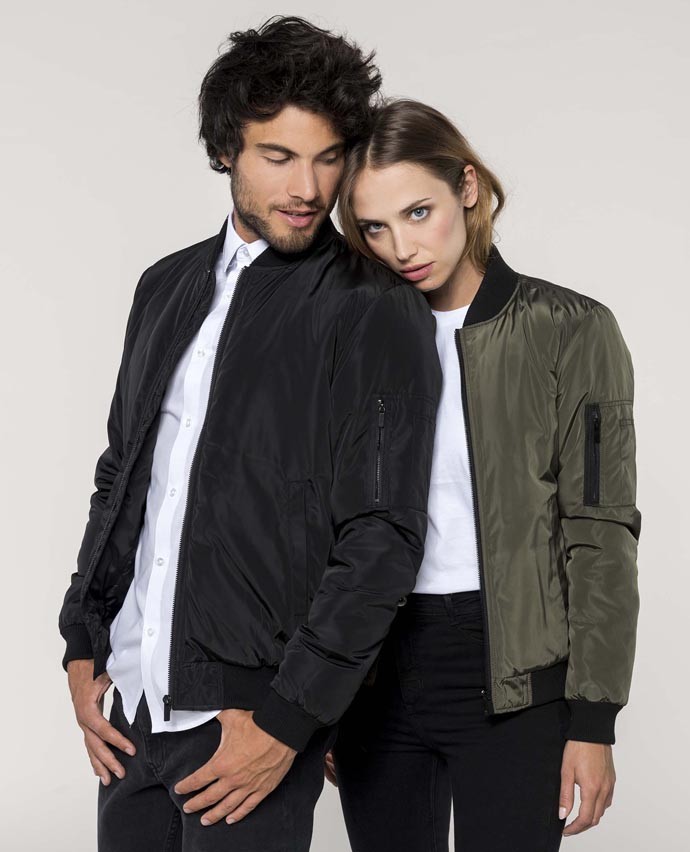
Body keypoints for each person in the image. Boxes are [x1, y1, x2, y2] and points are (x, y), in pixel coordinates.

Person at [58, 22, 442, 852]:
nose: (308, 187)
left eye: (329, 158)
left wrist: (289, 718)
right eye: (278, 156)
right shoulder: (164, 287)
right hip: (129, 709)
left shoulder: (374, 308)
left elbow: (383, 536)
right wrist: (81, 638)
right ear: (226, 149)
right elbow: (122, 473)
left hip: (247, 720)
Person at [328, 98, 641, 852]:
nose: (402, 246)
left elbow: (602, 531)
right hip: (374, 667)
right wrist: (319, 690)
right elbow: (319, 522)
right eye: (374, 227)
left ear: (467, 187)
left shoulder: (571, 329)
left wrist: (594, 720)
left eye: (418, 212)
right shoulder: (353, 340)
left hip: (515, 678)